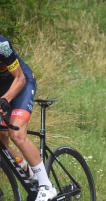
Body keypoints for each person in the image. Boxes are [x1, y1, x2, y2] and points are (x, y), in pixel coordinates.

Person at [0, 35, 57, 200]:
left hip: (21, 81)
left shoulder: (2, 45)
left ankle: (46, 185)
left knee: (16, 134)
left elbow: (20, 78)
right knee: (2, 146)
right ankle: (28, 171)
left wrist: (6, 99)